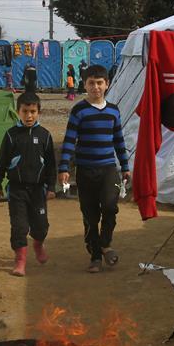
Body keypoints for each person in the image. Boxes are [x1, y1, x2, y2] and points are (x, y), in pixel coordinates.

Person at [58, 64, 130, 273]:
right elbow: (70, 140)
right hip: (85, 170)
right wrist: (64, 167)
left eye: (100, 83)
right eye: (91, 83)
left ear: (107, 84)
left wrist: (125, 166)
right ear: (84, 84)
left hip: (108, 169)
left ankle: (105, 243)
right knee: (90, 216)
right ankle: (95, 256)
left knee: (109, 207)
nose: (96, 87)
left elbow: (118, 140)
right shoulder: (79, 110)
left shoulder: (113, 110)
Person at [0, 91, 57, 277]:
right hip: (17, 189)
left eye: (33, 111)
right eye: (25, 111)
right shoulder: (11, 135)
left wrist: (51, 187)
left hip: (38, 189)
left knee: (41, 226)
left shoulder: (45, 135)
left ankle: (38, 244)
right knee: (19, 226)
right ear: (18, 111)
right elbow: (1, 161)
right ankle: (20, 260)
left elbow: (51, 164)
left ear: (38, 112)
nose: (29, 116)